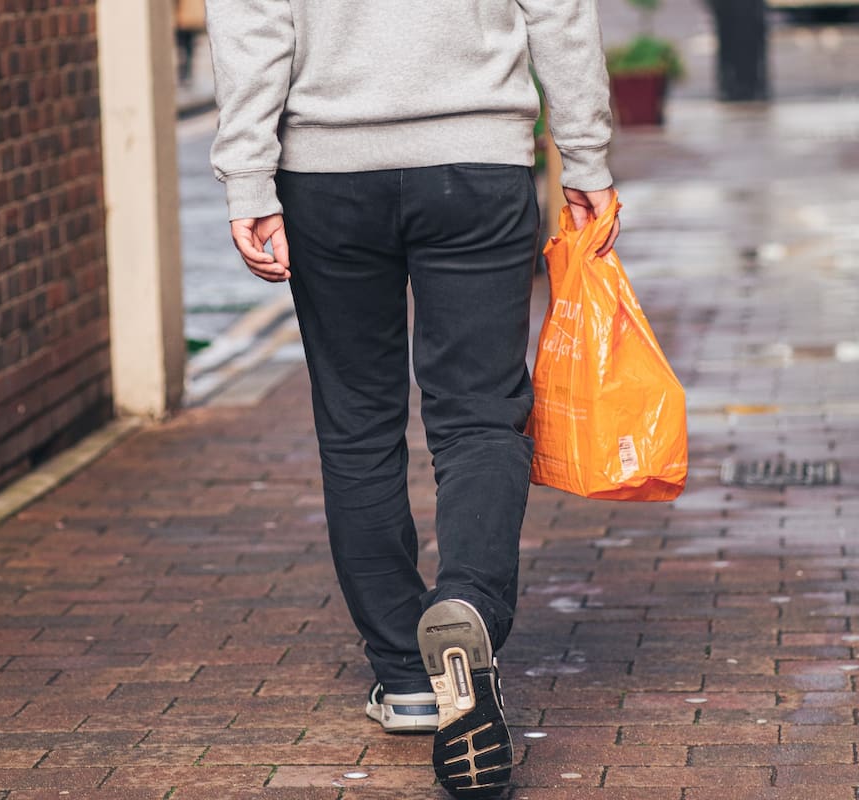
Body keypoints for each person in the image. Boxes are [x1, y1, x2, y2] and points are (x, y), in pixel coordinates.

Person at [204, 2, 620, 797]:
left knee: (357, 422)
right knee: (480, 414)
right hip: (478, 161)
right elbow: (557, 10)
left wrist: (249, 177)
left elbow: (252, 19)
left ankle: (405, 673)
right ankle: (468, 607)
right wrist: (585, 155)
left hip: (327, 175)